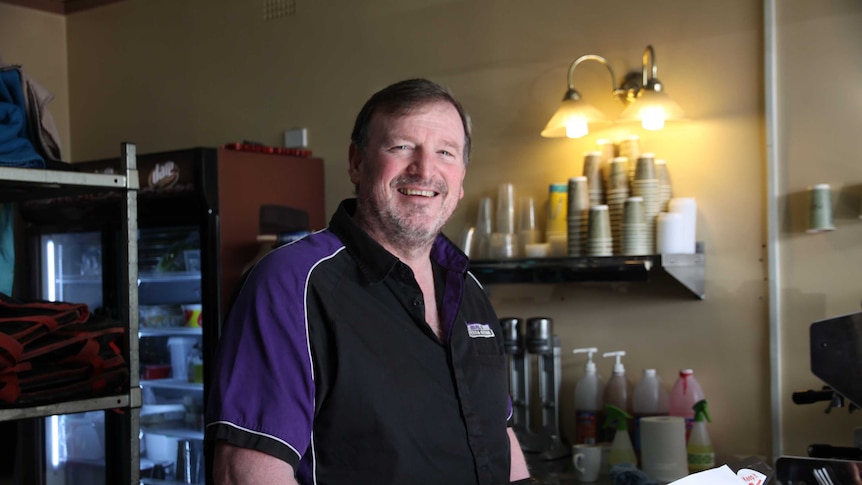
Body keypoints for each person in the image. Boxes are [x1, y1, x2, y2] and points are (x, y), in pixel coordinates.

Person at [205, 78, 532, 484]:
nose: (425, 169)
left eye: (445, 152)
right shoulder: (291, 283)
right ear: (357, 163)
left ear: (461, 178)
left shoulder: (468, 290)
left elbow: (498, 434)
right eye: (402, 147)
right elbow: (246, 473)